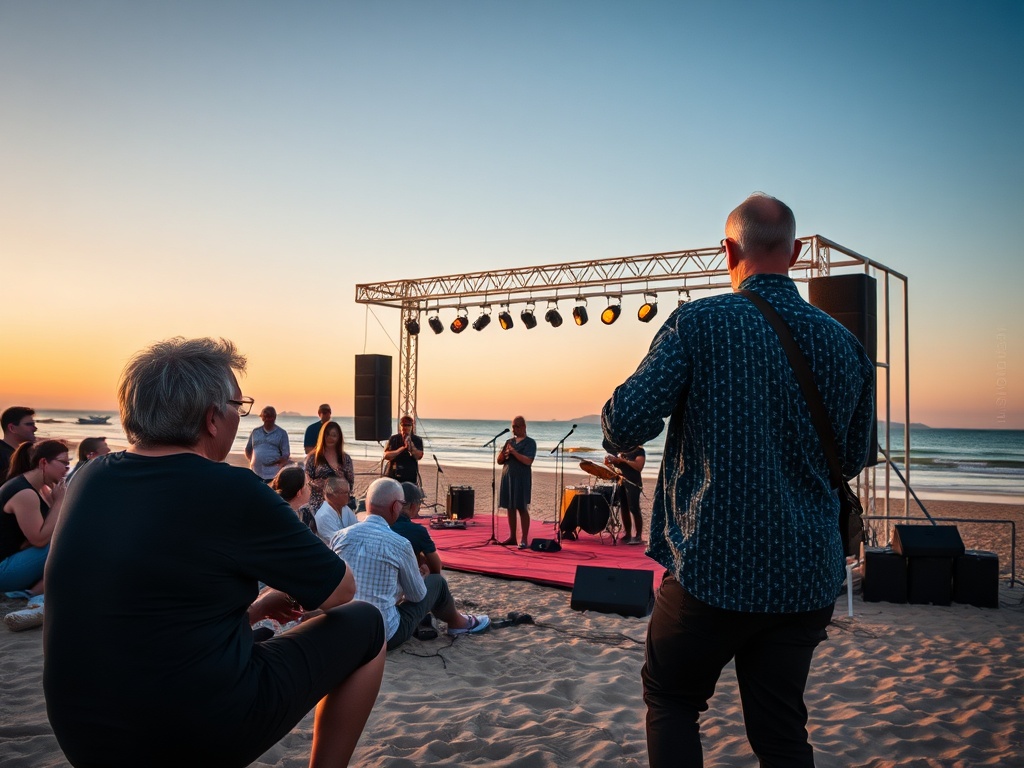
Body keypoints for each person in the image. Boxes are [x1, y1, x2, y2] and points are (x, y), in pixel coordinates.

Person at [602, 193, 875, 768]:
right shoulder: (847, 345)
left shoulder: (700, 323)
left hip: (713, 565)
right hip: (806, 575)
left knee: (672, 699)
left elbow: (627, 422)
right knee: (781, 733)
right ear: (796, 253)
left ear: (728, 249)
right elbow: (849, 458)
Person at [44, 337, 385, 768]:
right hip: (187, 734)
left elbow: (146, 618)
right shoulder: (231, 488)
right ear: (211, 418)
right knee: (367, 625)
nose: (238, 420)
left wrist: (259, 608)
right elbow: (340, 590)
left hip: (83, 734)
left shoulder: (90, 478)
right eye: (238, 407)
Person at [332, 477, 488, 650]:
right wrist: (422, 576)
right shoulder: (400, 544)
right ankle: (459, 623)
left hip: (343, 627)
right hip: (383, 634)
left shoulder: (340, 536)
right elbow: (417, 596)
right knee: (436, 583)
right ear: (395, 506)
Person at [0, 440, 68, 594]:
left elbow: (55, 525)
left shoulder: (41, 488)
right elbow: (39, 540)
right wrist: (59, 501)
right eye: (63, 463)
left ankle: (35, 591)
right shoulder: (25, 493)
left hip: (17, 558)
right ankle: (30, 595)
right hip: (3, 569)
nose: (66, 469)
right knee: (66, 543)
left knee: (69, 538)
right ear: (44, 462)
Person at [497, 416, 536, 549]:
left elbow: (528, 461)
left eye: (517, 426)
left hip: (521, 479)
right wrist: (505, 454)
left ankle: (524, 538)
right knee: (510, 507)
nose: (514, 429)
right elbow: (499, 460)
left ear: (524, 427)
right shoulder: (509, 442)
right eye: (513, 426)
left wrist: (514, 453)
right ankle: (512, 537)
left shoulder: (530, 443)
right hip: (507, 477)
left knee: (521, 507)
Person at [304, 420, 355, 516]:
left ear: (339, 438)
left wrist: (339, 484)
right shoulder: (313, 458)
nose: (330, 438)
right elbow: (307, 481)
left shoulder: (345, 459)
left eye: (334, 435)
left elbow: (351, 484)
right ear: (323, 436)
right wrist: (322, 485)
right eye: (327, 435)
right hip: (318, 506)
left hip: (339, 506)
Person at [392, 482, 442, 574]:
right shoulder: (417, 531)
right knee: (439, 580)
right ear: (413, 506)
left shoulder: (382, 525)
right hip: (405, 582)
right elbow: (436, 567)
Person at [604, 446, 645, 544]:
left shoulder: (639, 450)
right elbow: (616, 467)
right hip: (621, 481)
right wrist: (610, 462)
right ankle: (628, 534)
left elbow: (639, 466)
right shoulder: (619, 450)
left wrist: (623, 461)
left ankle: (638, 536)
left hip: (633, 482)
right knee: (624, 508)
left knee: (634, 508)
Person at [244, 405, 290, 482]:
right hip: (255, 472)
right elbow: (248, 449)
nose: (268, 419)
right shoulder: (255, 432)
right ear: (262, 418)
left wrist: (275, 462)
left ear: (274, 417)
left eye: (270, 417)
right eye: (265, 417)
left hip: (273, 474)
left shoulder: (282, 433)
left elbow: (286, 454)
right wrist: (253, 461)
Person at [314, 475, 358, 545]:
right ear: (331, 495)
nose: (349, 496)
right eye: (345, 493)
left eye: (349, 492)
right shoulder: (323, 515)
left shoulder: (345, 508)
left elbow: (357, 528)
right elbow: (339, 542)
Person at [271, 464, 314, 532]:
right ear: (299, 493)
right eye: (308, 485)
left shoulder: (304, 512)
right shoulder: (283, 519)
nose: (312, 488)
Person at [383, 415, 423, 484]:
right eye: (403, 425)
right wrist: (401, 449)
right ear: (400, 426)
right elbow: (386, 455)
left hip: (410, 476)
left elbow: (419, 456)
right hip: (393, 474)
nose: (405, 427)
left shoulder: (417, 440)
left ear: (412, 426)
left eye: (408, 425)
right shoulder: (393, 438)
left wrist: (411, 447)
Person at [1, 406, 38, 481]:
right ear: (12, 428)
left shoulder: (24, 454)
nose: (35, 428)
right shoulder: (2, 455)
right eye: (29, 424)